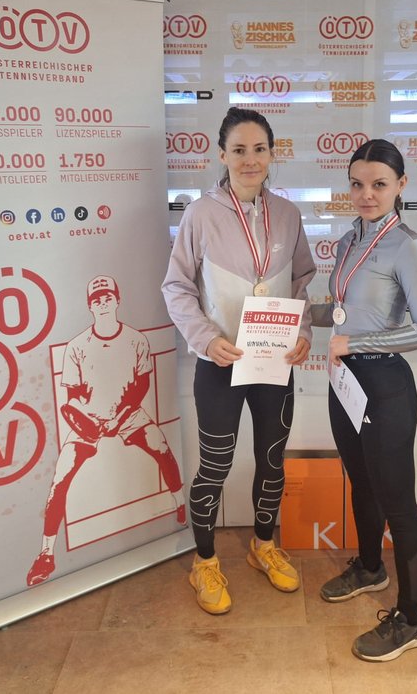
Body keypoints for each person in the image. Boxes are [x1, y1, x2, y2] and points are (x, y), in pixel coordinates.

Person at [162, 107, 316, 614]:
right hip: (220, 363)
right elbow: (176, 287)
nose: (251, 160)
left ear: (272, 154)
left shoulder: (288, 214)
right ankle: (204, 560)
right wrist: (206, 339)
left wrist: (303, 332)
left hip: (274, 363)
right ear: (222, 154)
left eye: (260, 149)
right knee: (215, 465)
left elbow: (301, 283)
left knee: (271, 459)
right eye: (240, 150)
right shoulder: (199, 214)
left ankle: (263, 546)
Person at [314, 138, 417, 662]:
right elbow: (341, 313)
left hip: (385, 387)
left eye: (379, 184)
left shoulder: (409, 246)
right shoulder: (348, 241)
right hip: (345, 382)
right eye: (358, 184)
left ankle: (411, 619)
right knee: (361, 482)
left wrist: (356, 343)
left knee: (398, 502)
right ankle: (370, 568)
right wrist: (288, 316)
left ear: (401, 185)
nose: (367, 194)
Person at [26, 275, 185, 586]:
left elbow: (141, 385)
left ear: (117, 300)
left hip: (128, 415)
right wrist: (86, 419)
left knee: (161, 446)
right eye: (96, 299)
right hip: (90, 420)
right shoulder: (77, 346)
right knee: (60, 479)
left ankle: (180, 504)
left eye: (107, 297)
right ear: (90, 305)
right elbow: (72, 395)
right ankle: (46, 554)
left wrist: (119, 418)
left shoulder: (136, 339)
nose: (102, 302)